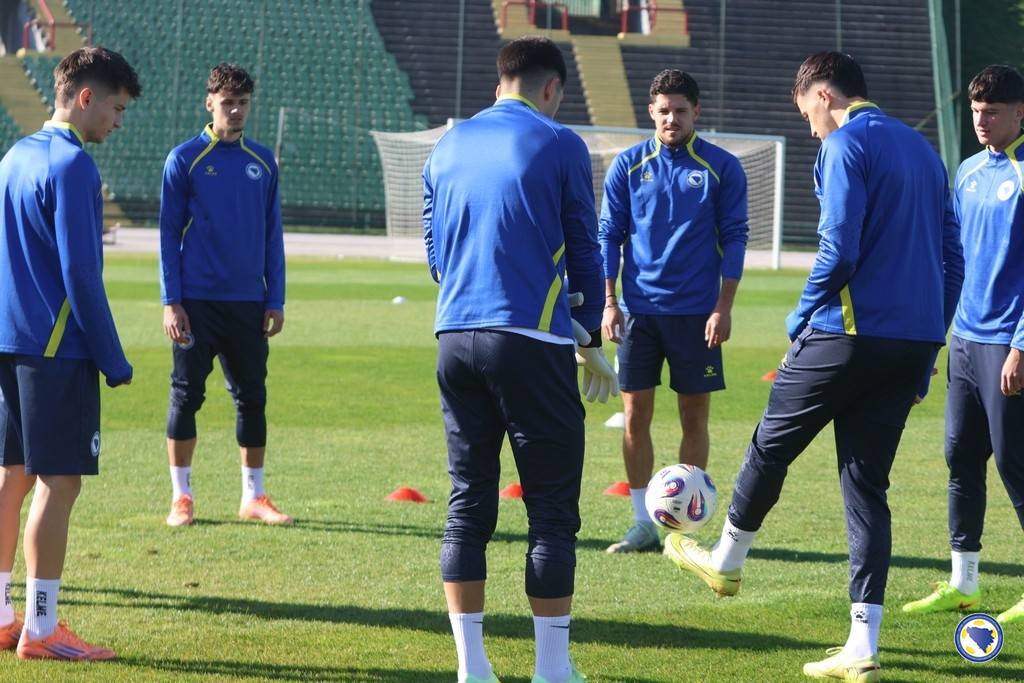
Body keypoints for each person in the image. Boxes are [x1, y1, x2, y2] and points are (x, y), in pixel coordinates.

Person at [663, 51, 964, 682]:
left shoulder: (845, 144)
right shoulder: (925, 151)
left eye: (806, 114)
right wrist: (929, 345)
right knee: (866, 487)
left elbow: (839, 247)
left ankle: (726, 561)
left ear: (823, 95)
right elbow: (952, 259)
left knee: (768, 446)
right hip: (911, 343)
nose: (809, 128)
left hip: (846, 334)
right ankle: (862, 646)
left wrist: (800, 316)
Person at [423, 35, 613, 683]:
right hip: (530, 340)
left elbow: (435, 254)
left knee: (467, 502)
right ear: (552, 88)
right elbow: (584, 246)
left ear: (498, 82)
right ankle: (552, 669)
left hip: (454, 335)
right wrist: (589, 337)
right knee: (552, 510)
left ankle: (472, 668)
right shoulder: (560, 142)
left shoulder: (447, 143)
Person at [0, 46, 140, 660]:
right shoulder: (74, 165)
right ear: (85, 98)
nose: (118, 121)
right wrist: (113, 359)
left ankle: (2, 615)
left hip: (7, 341)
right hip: (55, 351)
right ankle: (41, 627)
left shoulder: (13, 156)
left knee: (10, 477)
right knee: (59, 484)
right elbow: (81, 274)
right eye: (116, 108)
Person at [599, 69, 748, 554]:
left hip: (697, 316)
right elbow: (609, 236)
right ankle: (642, 523)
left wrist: (723, 307)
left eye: (680, 110)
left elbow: (735, 238)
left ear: (696, 112)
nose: (671, 119)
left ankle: (684, 525)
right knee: (634, 415)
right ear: (651, 112)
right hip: (638, 314)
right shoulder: (627, 165)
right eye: (663, 110)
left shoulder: (722, 167)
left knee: (693, 416)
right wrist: (609, 302)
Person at [902, 65, 1024, 626]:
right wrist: (934, 336)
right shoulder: (969, 170)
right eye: (975, 111)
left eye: (992, 111)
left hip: (1007, 343)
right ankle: (964, 582)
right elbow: (950, 260)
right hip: (965, 340)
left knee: (1016, 462)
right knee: (960, 457)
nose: (981, 120)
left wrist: (1021, 345)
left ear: (1019, 112)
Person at [159, 63, 290, 527]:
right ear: (209, 103)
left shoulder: (263, 162)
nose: (236, 111)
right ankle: (181, 497)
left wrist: (276, 298)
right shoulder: (185, 159)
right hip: (196, 302)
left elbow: (273, 235)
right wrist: (171, 301)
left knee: (252, 397)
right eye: (228, 102)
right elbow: (168, 234)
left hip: (248, 302)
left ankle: (254, 496)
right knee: (185, 396)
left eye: (243, 103)